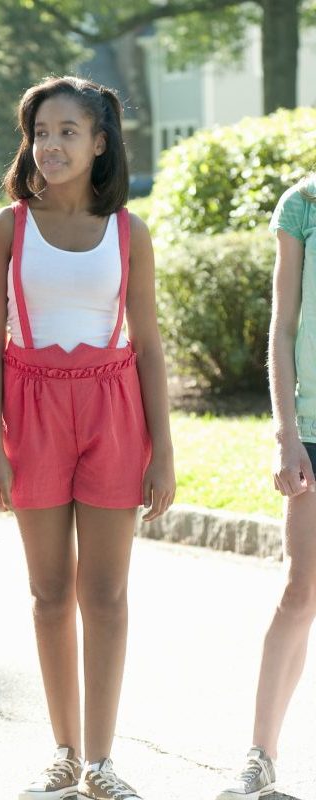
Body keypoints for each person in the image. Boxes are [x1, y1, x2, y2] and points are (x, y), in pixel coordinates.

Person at [0, 76, 175, 800]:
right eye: (41, 132)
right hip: (31, 411)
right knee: (50, 592)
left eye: (68, 132)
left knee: (108, 596)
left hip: (114, 409)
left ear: (100, 143)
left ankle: (101, 761)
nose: (51, 145)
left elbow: (149, 346)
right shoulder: (9, 228)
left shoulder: (129, 232)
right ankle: (62, 752)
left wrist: (164, 451)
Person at [213, 176, 316, 800]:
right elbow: (282, 330)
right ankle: (260, 758)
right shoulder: (303, 205)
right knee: (299, 590)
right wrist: (286, 434)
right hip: (313, 431)